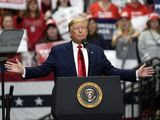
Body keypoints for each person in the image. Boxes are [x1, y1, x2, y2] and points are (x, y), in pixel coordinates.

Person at [5, 17, 155, 117]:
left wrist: (134, 74)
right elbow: (44, 69)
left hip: (91, 104)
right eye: (77, 28)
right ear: (70, 33)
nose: (81, 30)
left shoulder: (97, 51)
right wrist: (24, 70)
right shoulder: (58, 50)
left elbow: (111, 70)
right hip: (66, 104)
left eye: (83, 28)